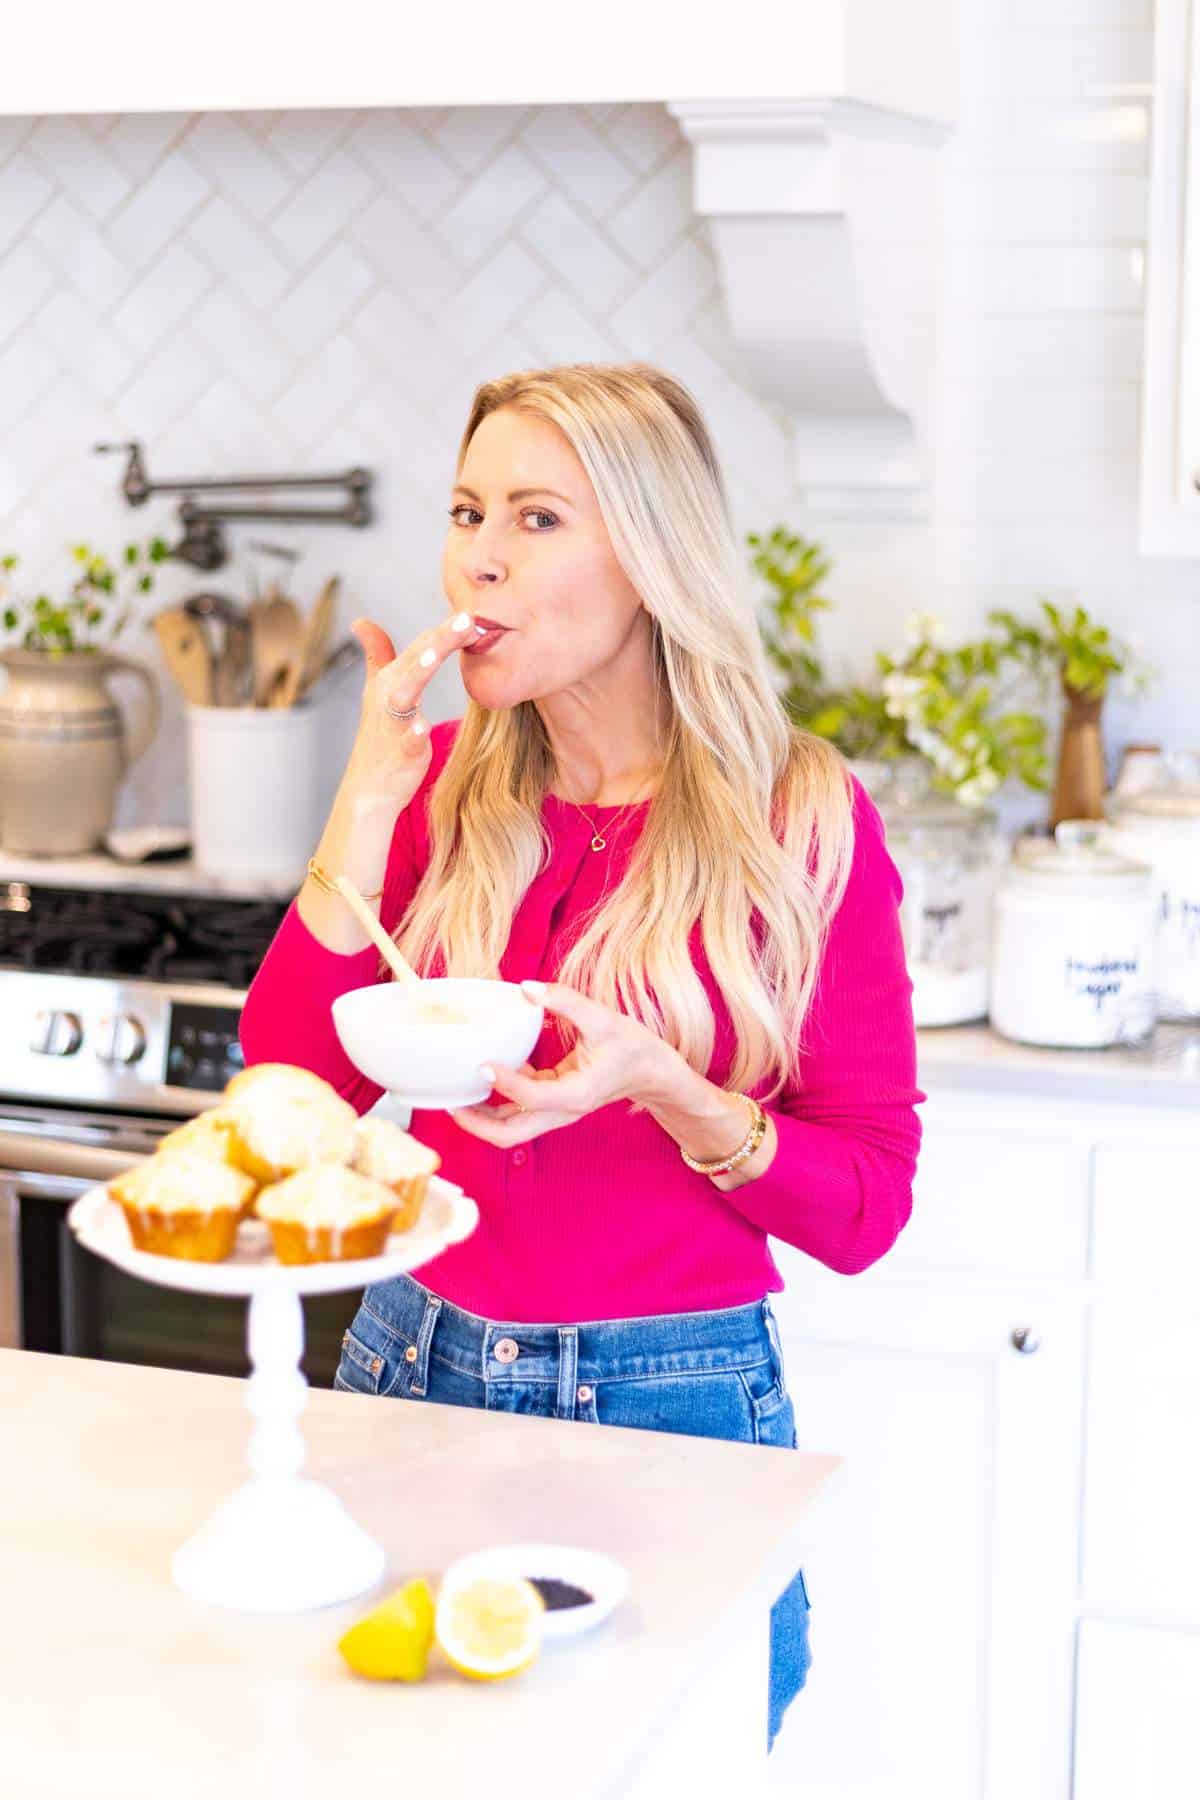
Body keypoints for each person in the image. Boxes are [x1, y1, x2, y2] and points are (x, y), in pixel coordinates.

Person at [239, 360, 924, 1751]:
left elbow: (866, 1206)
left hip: (675, 1404)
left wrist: (670, 1088)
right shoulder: (438, 791)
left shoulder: (798, 817)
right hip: (409, 1364)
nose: (479, 559)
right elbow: (291, 1087)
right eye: (467, 512)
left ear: (651, 559)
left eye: (537, 518)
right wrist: (364, 797)